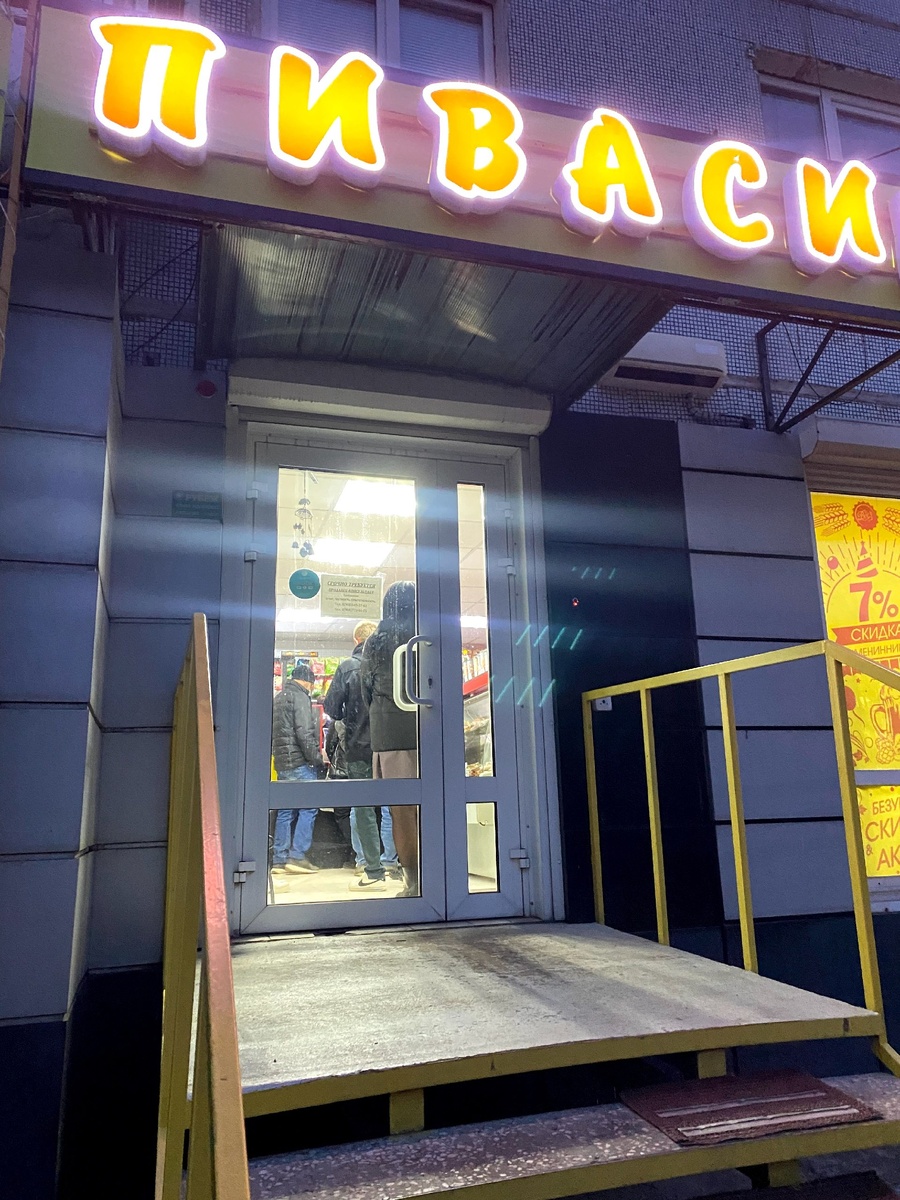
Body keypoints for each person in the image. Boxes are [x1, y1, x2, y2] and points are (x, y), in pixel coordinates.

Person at [323, 620, 394, 892]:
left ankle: (372, 870)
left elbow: (333, 709)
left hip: (359, 746)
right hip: (390, 745)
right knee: (393, 807)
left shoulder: (348, 667)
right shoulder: (392, 663)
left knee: (363, 809)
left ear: (356, 640)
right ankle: (396, 863)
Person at [360, 582, 420, 898]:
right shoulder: (427, 636)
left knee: (402, 812)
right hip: (430, 732)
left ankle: (414, 882)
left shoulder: (375, 642)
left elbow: (365, 689)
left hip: (389, 733)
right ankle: (441, 875)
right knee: (436, 805)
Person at [271, 661, 325, 874]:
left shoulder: (279, 698)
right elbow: (304, 732)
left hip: (282, 763)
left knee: (285, 811)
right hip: (300, 762)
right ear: (307, 682)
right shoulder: (300, 697)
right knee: (309, 807)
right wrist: (316, 759)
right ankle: (297, 856)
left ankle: (279, 859)